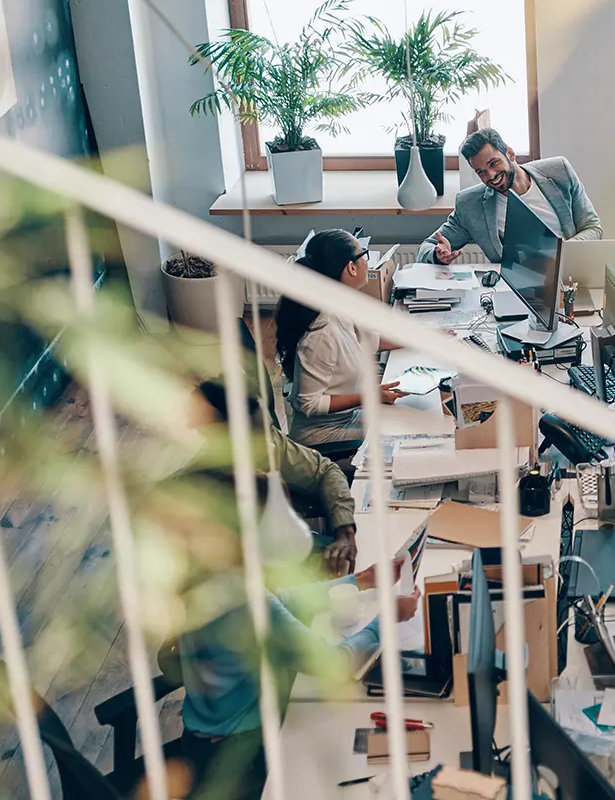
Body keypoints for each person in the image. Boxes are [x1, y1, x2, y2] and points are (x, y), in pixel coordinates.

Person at [178, 557, 421, 800]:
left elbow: (285, 599)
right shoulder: (249, 602)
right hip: (235, 753)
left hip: (199, 731)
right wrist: (385, 619)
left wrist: (361, 580)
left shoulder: (206, 577)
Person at [192, 381, 361, 575]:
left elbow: (324, 470)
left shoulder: (265, 438)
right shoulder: (201, 489)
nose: (268, 444)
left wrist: (344, 530)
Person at [275, 229, 408, 447]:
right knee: (405, 432)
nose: (367, 261)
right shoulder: (321, 332)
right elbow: (309, 403)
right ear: (351, 267)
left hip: (349, 415)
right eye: (364, 254)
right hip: (324, 435)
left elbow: (370, 340)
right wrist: (368, 396)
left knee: (409, 416)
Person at [416, 128, 602, 265]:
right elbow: (426, 247)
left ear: (510, 154)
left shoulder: (559, 171)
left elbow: (592, 227)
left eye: (494, 163)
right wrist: (437, 253)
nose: (490, 175)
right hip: (514, 288)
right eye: (481, 172)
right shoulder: (470, 204)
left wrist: (562, 254)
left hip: (569, 277)